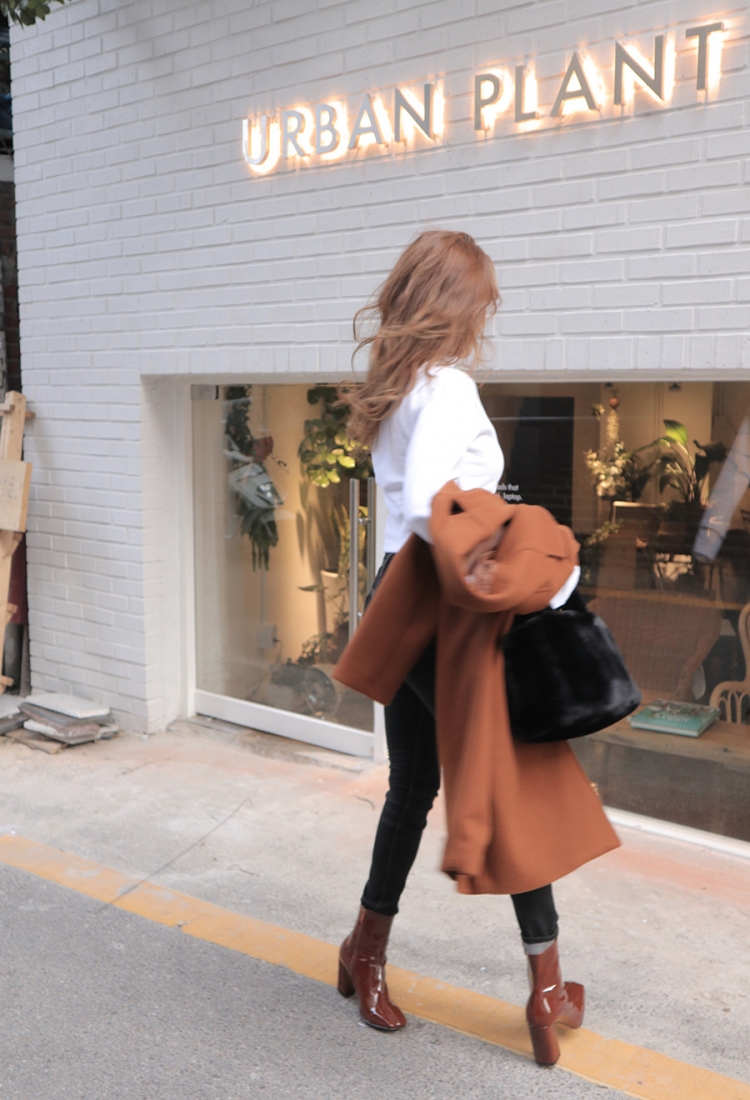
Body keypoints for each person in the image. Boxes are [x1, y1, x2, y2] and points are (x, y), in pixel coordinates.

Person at [334, 230, 620, 1066]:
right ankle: (545, 984)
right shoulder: (447, 387)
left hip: (401, 594)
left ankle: (364, 952)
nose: (483, 320)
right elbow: (435, 506)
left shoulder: (399, 386)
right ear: (456, 302)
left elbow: (415, 509)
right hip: (443, 598)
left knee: (414, 785)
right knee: (509, 774)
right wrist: (507, 563)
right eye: (481, 304)